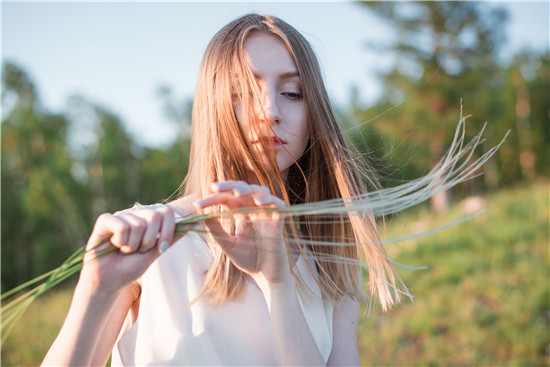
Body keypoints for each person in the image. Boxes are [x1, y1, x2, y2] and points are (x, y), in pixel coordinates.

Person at [43, 13, 407, 366]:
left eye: (293, 92)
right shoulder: (145, 242)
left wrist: (277, 284)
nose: (270, 110)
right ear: (213, 106)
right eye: (244, 91)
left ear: (315, 112)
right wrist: (95, 289)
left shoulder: (331, 258)